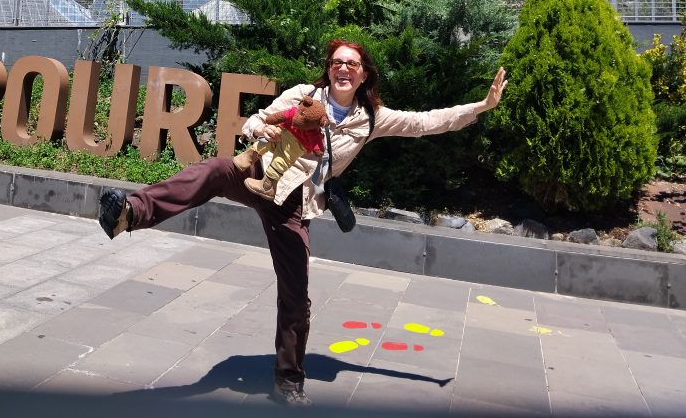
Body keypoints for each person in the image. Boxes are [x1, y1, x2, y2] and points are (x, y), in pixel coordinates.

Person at [98, 39, 508, 406]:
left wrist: (482, 107)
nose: (342, 69)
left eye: (351, 63)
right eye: (336, 63)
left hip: (296, 204)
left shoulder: (371, 118)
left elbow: (424, 123)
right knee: (214, 170)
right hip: (260, 176)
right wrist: (263, 131)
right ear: (328, 70)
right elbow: (258, 120)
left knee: (296, 296)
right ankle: (130, 214)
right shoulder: (304, 95)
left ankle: (289, 380)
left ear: (364, 73)